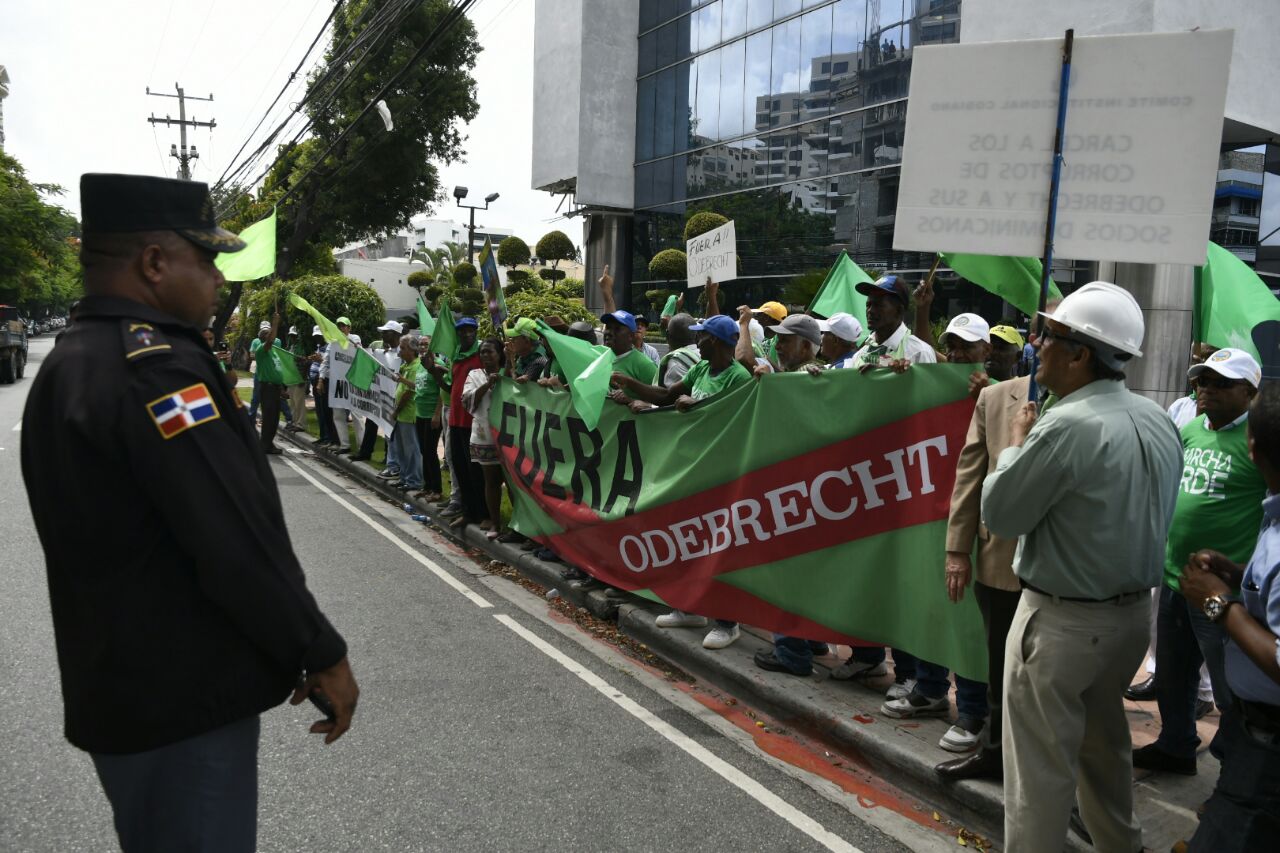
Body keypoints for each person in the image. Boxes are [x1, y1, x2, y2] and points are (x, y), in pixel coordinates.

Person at [20, 173, 357, 853]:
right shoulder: (157, 370)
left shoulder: (75, 360)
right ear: (153, 262)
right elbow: (232, 536)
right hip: (182, 704)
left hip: (125, 691)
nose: (214, 276)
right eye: (205, 259)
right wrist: (318, 649)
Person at [980, 281, 1182, 853]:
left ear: (1080, 354)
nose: (1037, 344)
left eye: (1052, 335)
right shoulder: (1157, 418)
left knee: (1039, 778)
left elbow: (1002, 511)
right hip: (1127, 623)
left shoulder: (1065, 425)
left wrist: (1016, 442)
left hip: (1061, 621)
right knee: (1104, 753)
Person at [1133, 348, 1265, 776]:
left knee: (1230, 690)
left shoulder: (1257, 441)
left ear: (1249, 392)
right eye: (1202, 381)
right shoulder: (1190, 429)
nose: (1206, 389)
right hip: (1175, 579)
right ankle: (1175, 746)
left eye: (1220, 383)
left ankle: (1234, 771)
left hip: (1222, 590)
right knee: (1175, 673)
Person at [611, 314, 752, 650]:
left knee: (720, 547)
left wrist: (698, 405)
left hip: (722, 476)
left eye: (702, 338)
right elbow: (665, 395)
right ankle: (689, 607)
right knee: (688, 539)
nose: (697, 342)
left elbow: (739, 423)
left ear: (715, 342)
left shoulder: (738, 378)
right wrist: (630, 384)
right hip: (691, 470)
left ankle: (727, 622)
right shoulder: (701, 370)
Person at [1180, 382, 1280, 852]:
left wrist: (1219, 602)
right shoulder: (1274, 514)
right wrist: (1238, 576)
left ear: (1253, 449)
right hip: (1252, 733)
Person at [935, 325, 1028, 781]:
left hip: (1067, 573)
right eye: (1046, 337)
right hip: (1000, 560)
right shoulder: (996, 399)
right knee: (999, 664)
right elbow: (970, 475)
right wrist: (957, 550)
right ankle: (993, 754)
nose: (1045, 347)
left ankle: (1036, 769)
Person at [430, 316, 484, 528]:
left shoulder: (481, 354)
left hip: (474, 420)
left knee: (475, 470)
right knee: (458, 465)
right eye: (462, 331)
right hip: (455, 419)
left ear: (476, 332)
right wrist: (434, 374)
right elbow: (450, 388)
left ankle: (480, 513)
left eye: (470, 330)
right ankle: (466, 509)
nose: (466, 334)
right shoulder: (456, 355)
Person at [462, 338, 508, 539]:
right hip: (484, 435)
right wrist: (488, 384)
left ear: (499, 354)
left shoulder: (508, 374)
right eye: (482, 352)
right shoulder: (475, 375)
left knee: (513, 483)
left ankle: (518, 528)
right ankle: (495, 523)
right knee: (491, 481)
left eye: (490, 352)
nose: (486, 356)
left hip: (508, 436)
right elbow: (467, 400)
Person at [851, 274, 937, 371]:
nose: (870, 310)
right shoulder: (859, 355)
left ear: (899, 310)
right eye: (868, 305)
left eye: (878, 305)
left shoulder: (919, 352)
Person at [389, 335, 423, 493]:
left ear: (412, 350)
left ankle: (414, 480)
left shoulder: (416, 366)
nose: (400, 351)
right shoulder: (406, 366)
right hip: (402, 415)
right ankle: (404, 478)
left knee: (411, 450)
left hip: (408, 414)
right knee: (401, 449)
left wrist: (396, 411)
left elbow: (409, 392)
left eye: (403, 348)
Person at [249, 314, 286, 454]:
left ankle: (268, 443)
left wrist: (281, 388)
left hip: (275, 388)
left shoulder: (273, 352)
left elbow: (277, 371)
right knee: (269, 417)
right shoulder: (261, 351)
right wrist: (275, 323)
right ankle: (265, 444)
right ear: (262, 338)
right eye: (266, 333)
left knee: (274, 418)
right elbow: (271, 340)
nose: (269, 335)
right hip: (268, 388)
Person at [413, 336, 444, 500]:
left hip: (432, 414)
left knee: (431, 451)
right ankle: (427, 486)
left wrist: (437, 413)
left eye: (426, 344)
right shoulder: (420, 364)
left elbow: (442, 389)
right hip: (420, 413)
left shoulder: (438, 364)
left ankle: (437, 490)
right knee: (423, 450)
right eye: (420, 344)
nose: (423, 347)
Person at [601, 310, 658, 385]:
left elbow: (660, 395)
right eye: (608, 327)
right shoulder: (599, 357)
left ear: (631, 336)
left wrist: (631, 397)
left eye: (617, 329)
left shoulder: (645, 365)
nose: (609, 332)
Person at [309, 327, 336, 446]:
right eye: (315, 336)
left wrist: (320, 360)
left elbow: (329, 365)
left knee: (326, 411)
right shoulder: (320, 347)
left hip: (324, 382)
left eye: (319, 336)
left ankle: (328, 437)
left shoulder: (330, 347)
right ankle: (323, 436)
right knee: (320, 411)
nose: (317, 338)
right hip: (315, 381)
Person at [658, 312, 701, 387]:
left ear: (667, 335)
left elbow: (667, 396)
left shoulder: (675, 365)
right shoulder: (705, 357)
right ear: (697, 337)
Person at [504, 317, 548, 382]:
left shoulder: (539, 362)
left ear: (527, 341)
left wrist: (511, 360)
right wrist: (509, 359)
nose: (511, 341)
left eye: (514, 338)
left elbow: (518, 389)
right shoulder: (523, 355)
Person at [283, 326, 309, 433]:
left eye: (294, 335)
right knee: (293, 402)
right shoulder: (290, 346)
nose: (292, 337)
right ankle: (294, 422)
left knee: (299, 402)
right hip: (291, 378)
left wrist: (302, 378)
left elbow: (305, 362)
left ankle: (301, 424)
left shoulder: (301, 347)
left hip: (299, 378)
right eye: (291, 335)